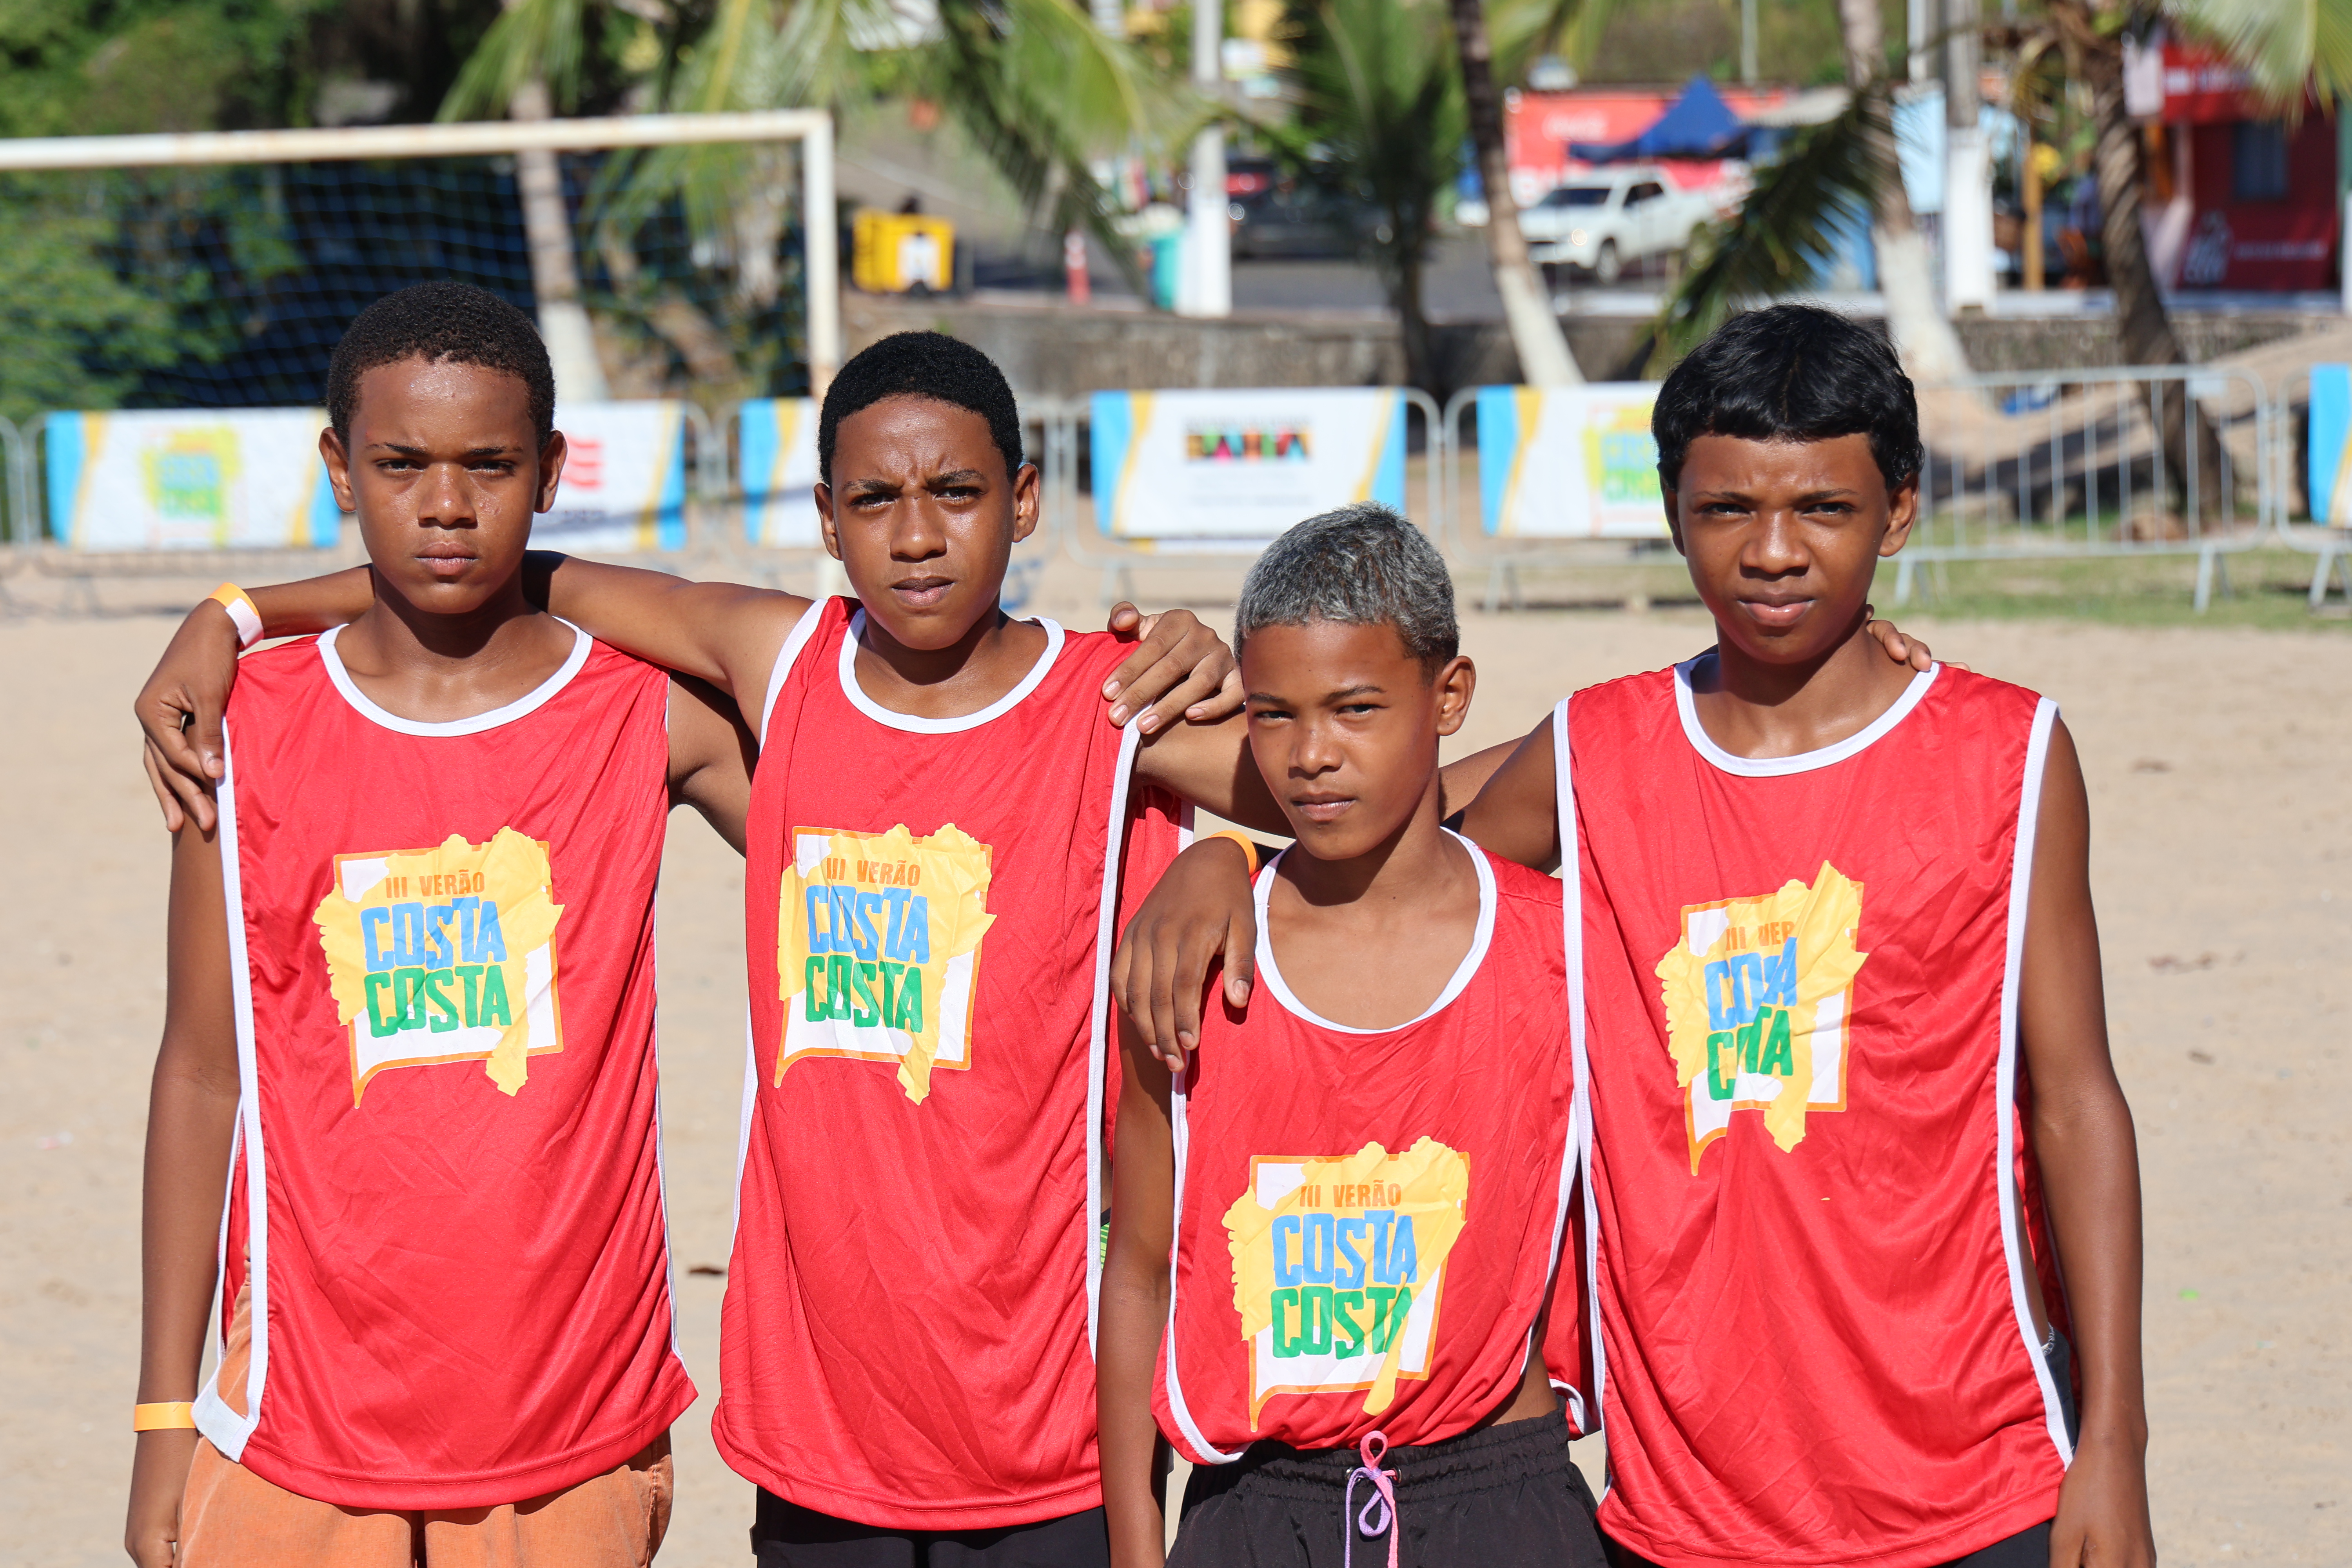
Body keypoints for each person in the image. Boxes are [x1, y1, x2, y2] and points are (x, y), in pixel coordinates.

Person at [132, 330, 1283, 1567]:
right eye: (874, 501)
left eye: (956, 493)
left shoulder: (1097, 710)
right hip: (781, 1436)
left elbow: (1358, 808)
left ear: (1024, 498)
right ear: (828, 521)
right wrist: (233, 610)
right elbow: (505, 568)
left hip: (1018, 1420)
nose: (917, 534)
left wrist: (1230, 854)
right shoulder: (780, 675)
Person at [1111, 304, 2153, 1568]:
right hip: (1683, 1504)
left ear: (1902, 510)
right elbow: (1394, 831)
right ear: (1671, 510)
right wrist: (1228, 859)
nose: (1773, 552)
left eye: (1823, 508)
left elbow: (2078, 1107)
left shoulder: (2008, 756)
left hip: (1974, 1476)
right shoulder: (1598, 755)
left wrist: (2115, 1445)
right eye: (1727, 511)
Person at [125, 281, 752, 1567]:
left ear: (552, 470)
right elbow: (203, 1068)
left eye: (491, 466)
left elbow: (937, 793)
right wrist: (159, 1421)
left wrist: (1223, 839)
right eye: (403, 465)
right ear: (339, 469)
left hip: (574, 1428)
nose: (450, 506)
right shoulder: (244, 727)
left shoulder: (645, 715)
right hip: (296, 1425)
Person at [1097, 505, 1608, 1568]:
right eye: (1275, 715)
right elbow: (1141, 1268)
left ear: (1449, 697)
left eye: (1357, 708)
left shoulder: (1559, 946)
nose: (1313, 755)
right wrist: (1137, 1547)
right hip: (1253, 1506)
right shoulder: (1185, 962)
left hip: (1500, 1492)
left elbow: (1687, 732)